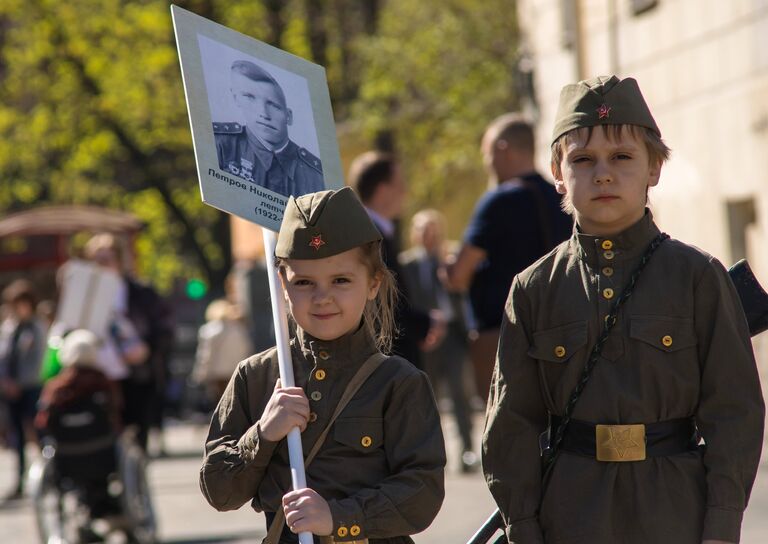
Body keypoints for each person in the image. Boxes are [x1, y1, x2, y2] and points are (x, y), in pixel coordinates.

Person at [482, 75, 764, 544]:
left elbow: (734, 411)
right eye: (583, 160)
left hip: (676, 510)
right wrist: (524, 526)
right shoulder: (534, 289)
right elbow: (509, 423)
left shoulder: (697, 277)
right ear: (557, 172)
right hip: (570, 512)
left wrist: (721, 523)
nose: (604, 174)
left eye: (622, 157)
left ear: (654, 167)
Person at [200, 187, 445, 543]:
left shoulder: (399, 383)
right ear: (283, 285)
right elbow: (219, 491)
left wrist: (337, 517)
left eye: (341, 280)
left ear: (373, 283)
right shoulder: (256, 376)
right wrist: (264, 433)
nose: (322, 297)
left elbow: (422, 493)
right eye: (304, 282)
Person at [445, 114, 572, 400]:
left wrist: (449, 267)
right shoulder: (562, 196)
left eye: (487, 154)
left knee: (508, 429)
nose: (486, 163)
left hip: (505, 336)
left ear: (502, 149)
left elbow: (459, 275)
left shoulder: (498, 200)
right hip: (562, 328)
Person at [398, 209, 478, 473]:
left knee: (459, 392)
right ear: (415, 234)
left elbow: (466, 291)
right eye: (423, 230)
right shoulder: (405, 264)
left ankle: (466, 450)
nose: (428, 236)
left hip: (453, 335)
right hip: (424, 338)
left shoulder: (452, 258)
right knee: (425, 395)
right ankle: (428, 453)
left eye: (433, 230)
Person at [349, 151, 443, 370]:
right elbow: (383, 300)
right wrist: (425, 323)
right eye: (400, 184)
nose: (405, 191)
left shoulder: (370, 231)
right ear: (383, 191)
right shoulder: (371, 237)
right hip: (388, 360)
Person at [85, 233, 174, 453]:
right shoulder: (85, 297)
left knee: (136, 435)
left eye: (106, 260)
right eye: (96, 261)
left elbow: (164, 328)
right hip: (97, 376)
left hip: (136, 374)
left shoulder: (141, 293)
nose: (102, 266)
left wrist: (147, 349)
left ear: (119, 261)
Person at [213, 60, 325, 197]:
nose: (264, 114)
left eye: (273, 105)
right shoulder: (221, 144)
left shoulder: (315, 174)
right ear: (237, 99)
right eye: (251, 98)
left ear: (288, 116)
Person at [0, 280, 46, 500]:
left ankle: (47, 475)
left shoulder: (37, 328)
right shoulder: (9, 329)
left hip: (31, 388)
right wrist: (6, 381)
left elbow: (37, 362)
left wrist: (22, 383)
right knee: (16, 437)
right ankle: (20, 479)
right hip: (11, 391)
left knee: (38, 432)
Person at [192, 298, 253, 407]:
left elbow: (205, 355)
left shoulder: (209, 330)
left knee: (220, 404)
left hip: (217, 374)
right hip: (235, 371)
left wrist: (200, 374)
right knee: (234, 402)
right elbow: (246, 350)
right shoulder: (239, 329)